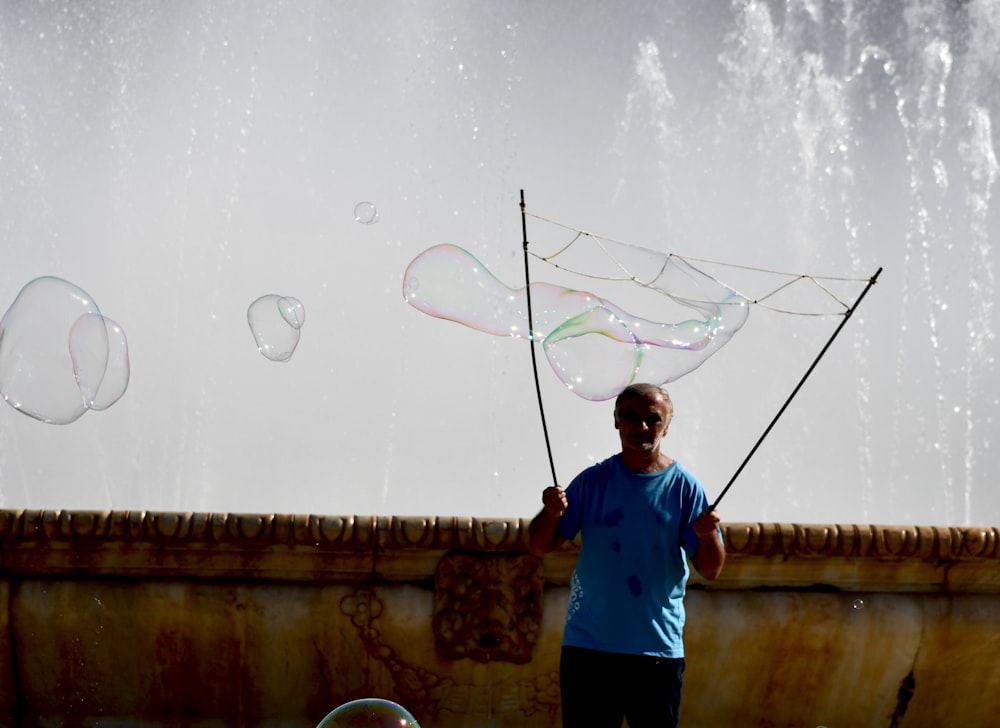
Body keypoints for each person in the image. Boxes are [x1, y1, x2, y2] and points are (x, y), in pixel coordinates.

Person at [528, 382, 724, 728]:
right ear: (616, 421)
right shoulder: (591, 482)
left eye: (652, 418)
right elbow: (540, 545)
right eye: (631, 417)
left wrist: (707, 535)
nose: (642, 426)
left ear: (667, 425)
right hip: (588, 646)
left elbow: (711, 569)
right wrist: (551, 511)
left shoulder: (685, 487)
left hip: (656, 648)